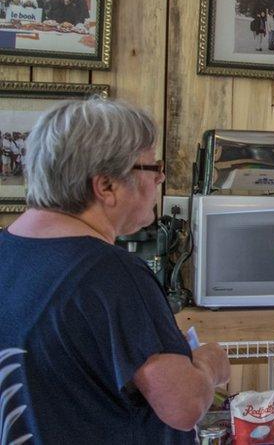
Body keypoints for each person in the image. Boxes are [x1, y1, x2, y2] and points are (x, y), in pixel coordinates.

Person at [0, 98, 231, 444]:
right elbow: (183, 405)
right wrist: (209, 364)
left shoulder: (8, 250)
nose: (160, 179)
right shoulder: (110, 274)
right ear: (106, 186)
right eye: (152, 168)